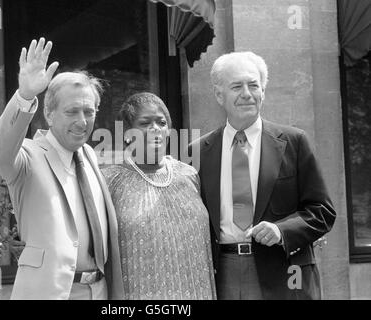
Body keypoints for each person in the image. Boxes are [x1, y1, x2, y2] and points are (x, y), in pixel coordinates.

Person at [189, 51, 336, 300]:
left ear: (263, 91)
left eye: (253, 85)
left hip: (284, 271)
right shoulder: (197, 152)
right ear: (218, 95)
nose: (247, 93)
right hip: (222, 272)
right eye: (237, 86)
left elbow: (322, 211)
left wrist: (282, 231)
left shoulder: (294, 142)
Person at [0, 38, 123, 300]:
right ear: (49, 115)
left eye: (89, 111)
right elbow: (0, 154)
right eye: (72, 111)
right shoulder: (28, 156)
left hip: (98, 291)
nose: (82, 121)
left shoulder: (90, 157)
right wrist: (25, 96)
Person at [101, 92, 216, 300]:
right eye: (145, 123)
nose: (155, 129)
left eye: (161, 123)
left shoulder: (189, 174)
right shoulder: (110, 180)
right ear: (127, 134)